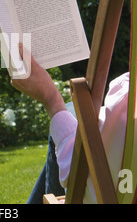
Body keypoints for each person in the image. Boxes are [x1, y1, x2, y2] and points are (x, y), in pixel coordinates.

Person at [11, 44, 129, 204]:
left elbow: (80, 176)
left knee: (67, 116)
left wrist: (51, 99)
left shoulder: (132, 97)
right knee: (72, 113)